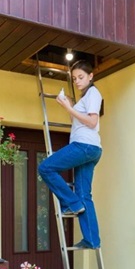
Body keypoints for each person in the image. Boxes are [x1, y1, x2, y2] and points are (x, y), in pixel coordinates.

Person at [38, 60, 103, 249]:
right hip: (91, 148)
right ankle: (92, 240)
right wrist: (71, 104)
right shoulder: (86, 97)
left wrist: (69, 108)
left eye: (81, 77)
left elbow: (92, 122)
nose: (77, 81)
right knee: (84, 194)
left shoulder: (94, 93)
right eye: (74, 79)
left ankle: (71, 203)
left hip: (84, 146)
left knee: (45, 167)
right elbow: (79, 120)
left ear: (91, 76)